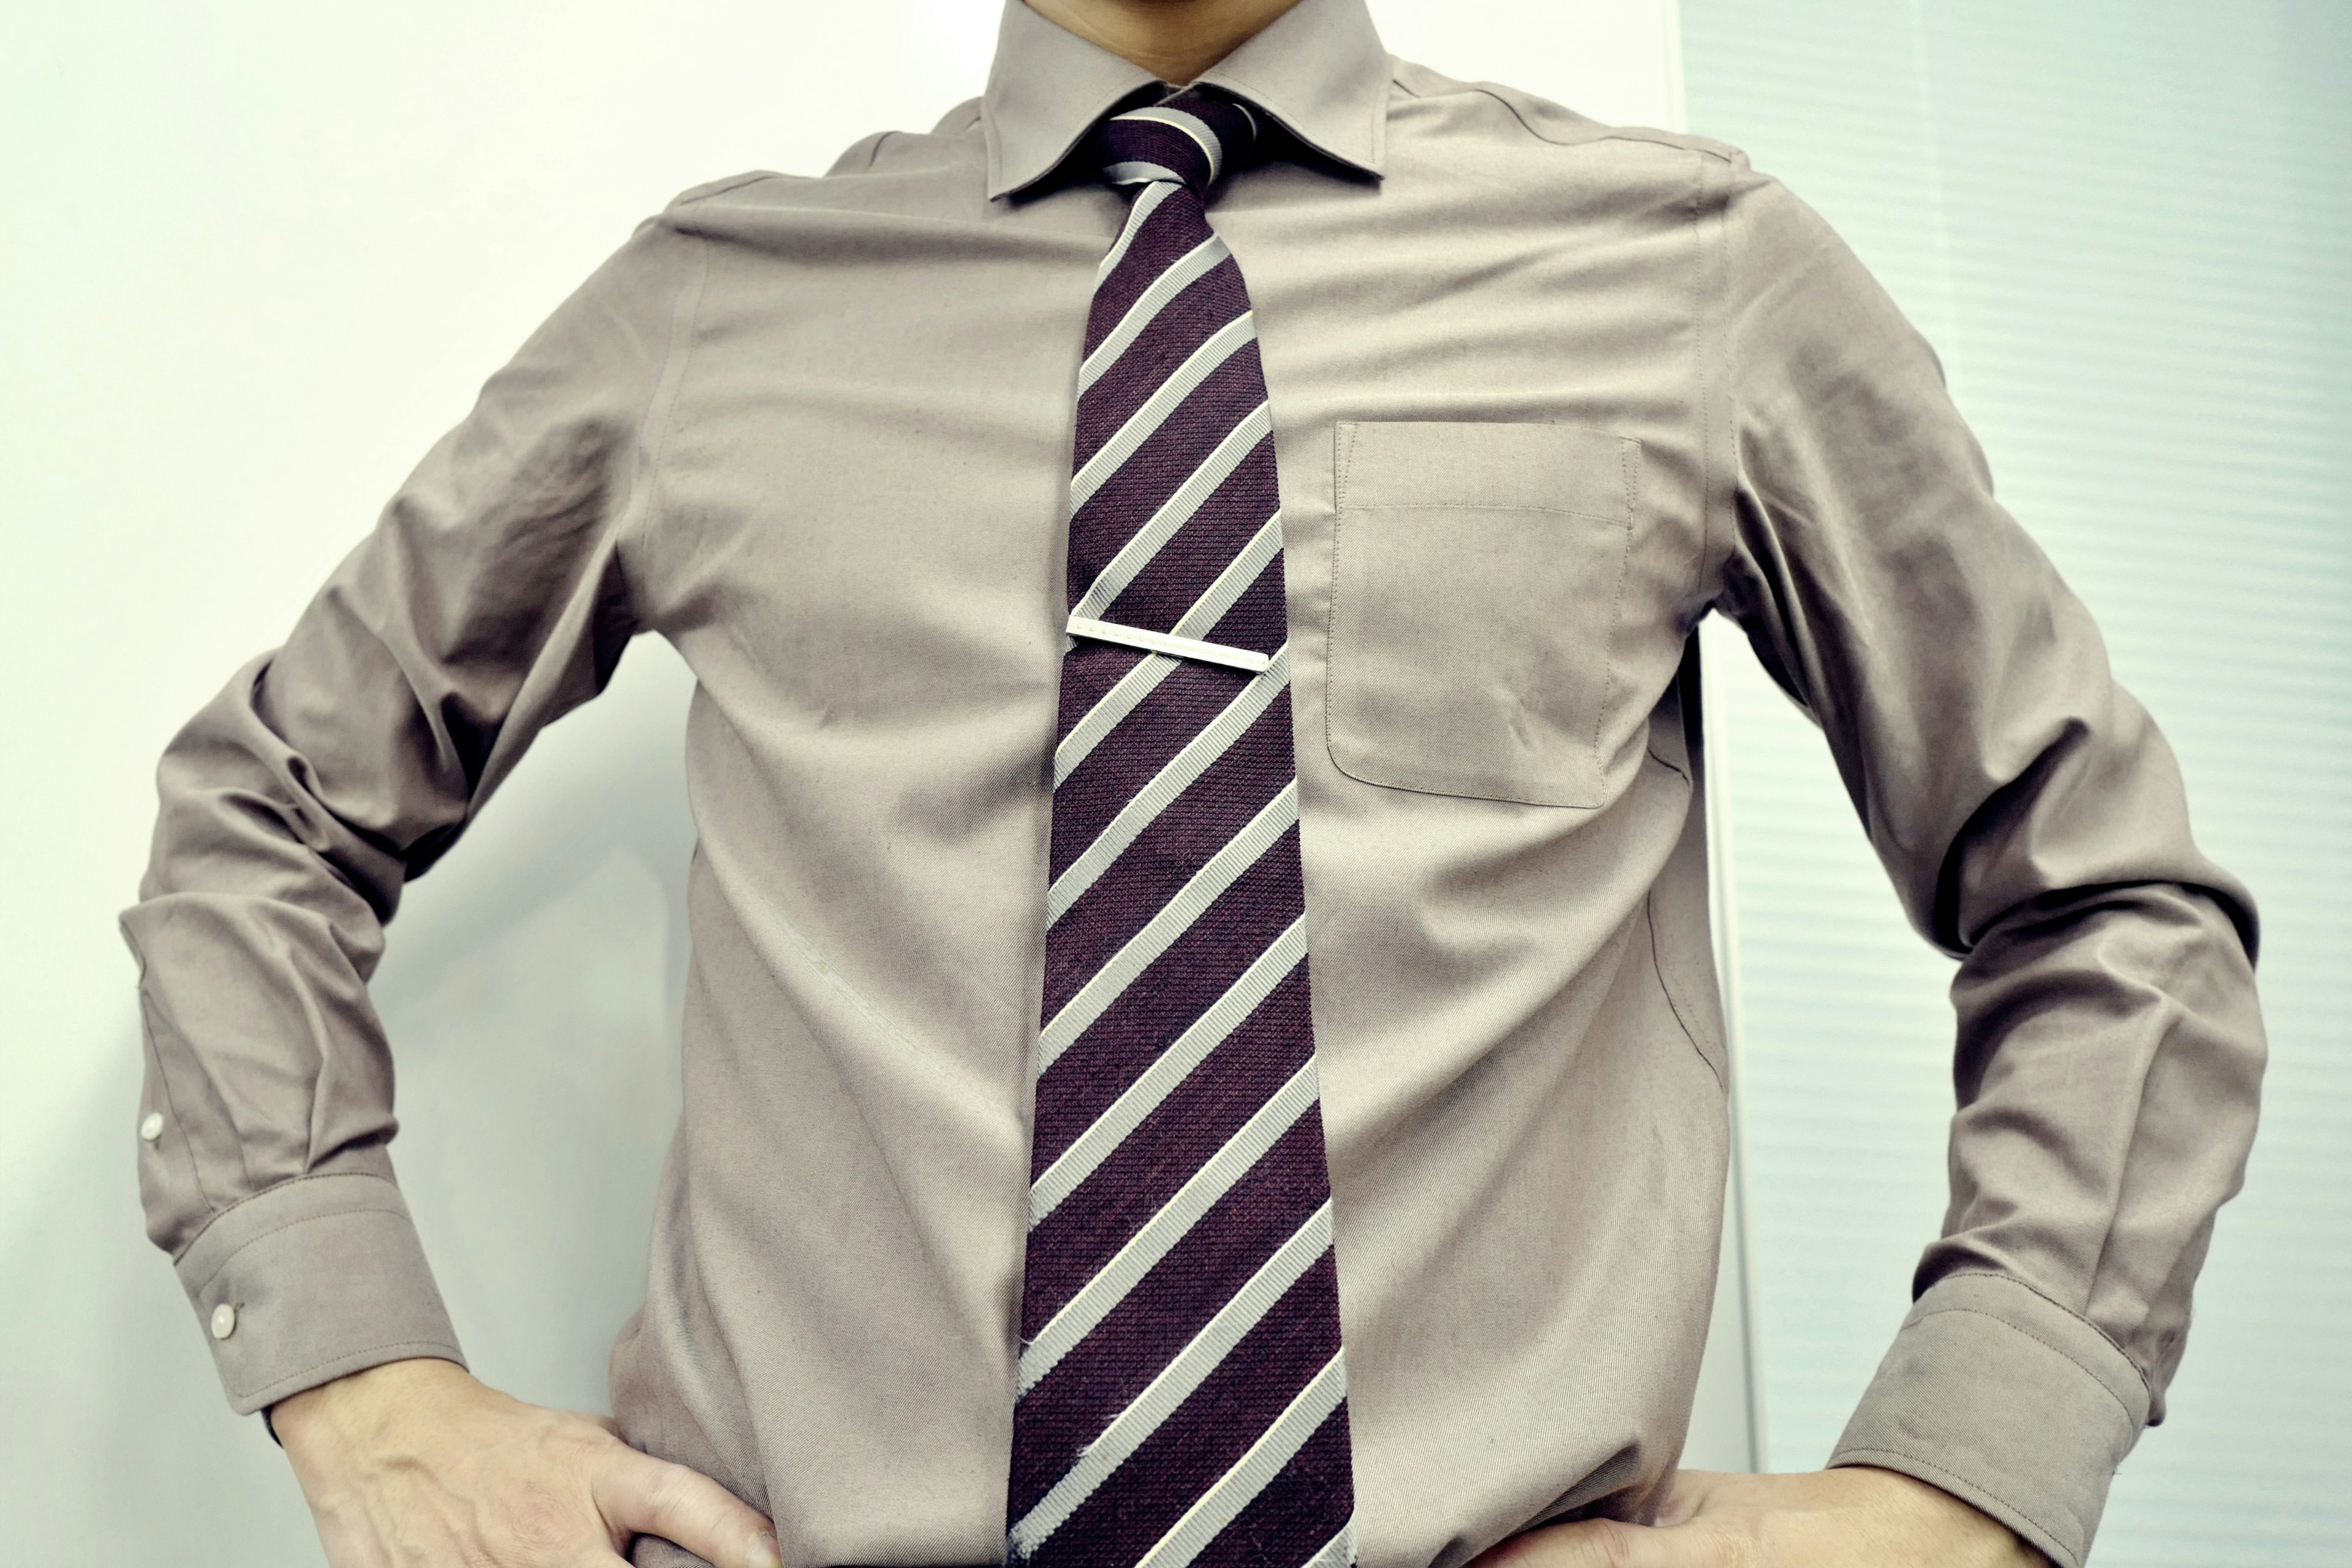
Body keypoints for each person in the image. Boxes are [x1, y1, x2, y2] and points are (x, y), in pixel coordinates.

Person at [123, 0, 2266, 1564]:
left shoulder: (1693, 277)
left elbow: (2107, 903)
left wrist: (1959, 1487)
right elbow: (265, 817)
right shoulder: (713, 311)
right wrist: (366, 1390)